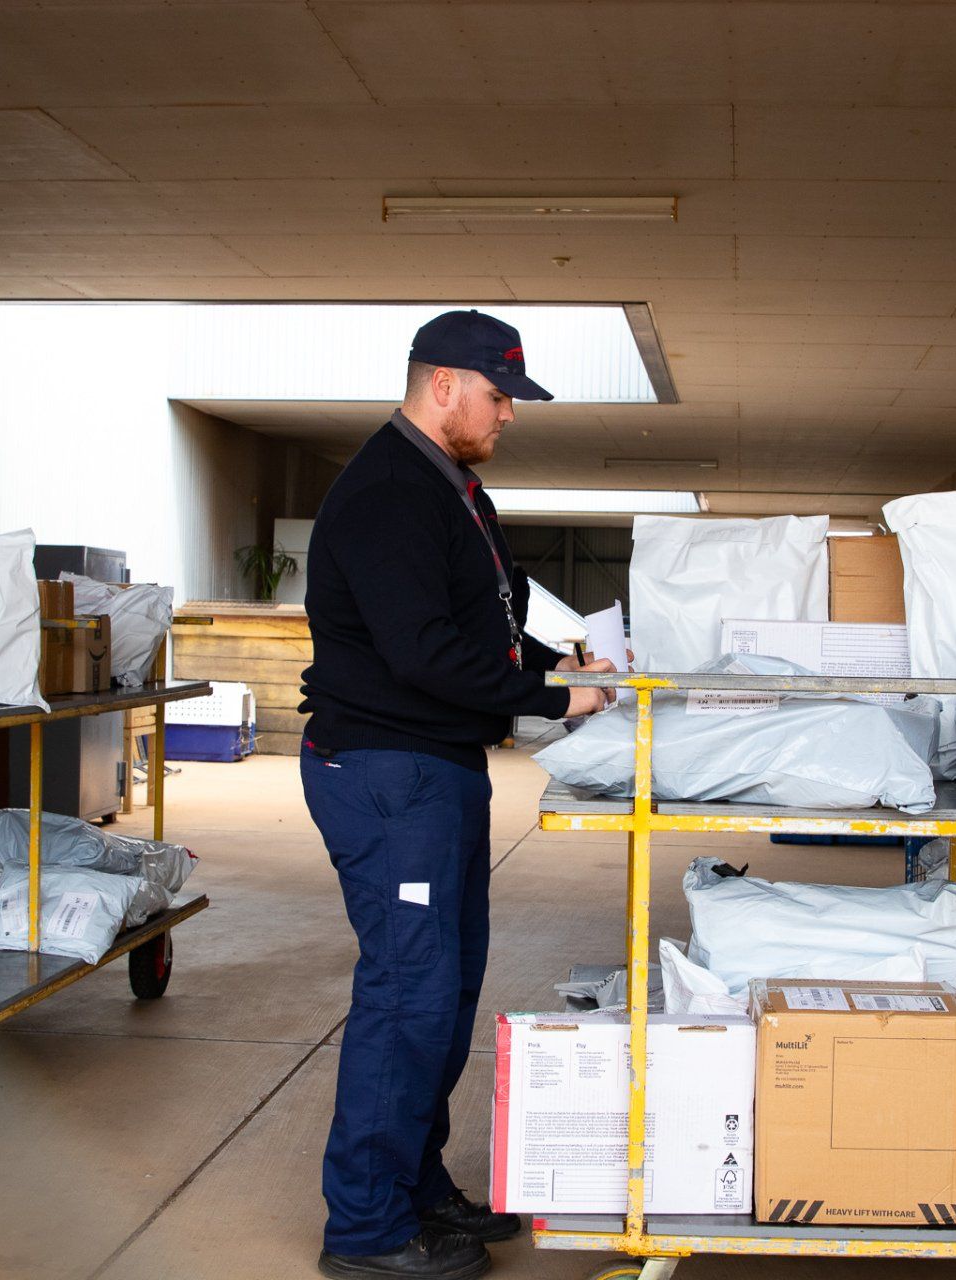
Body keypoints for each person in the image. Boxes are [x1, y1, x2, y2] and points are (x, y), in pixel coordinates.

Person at [299, 310, 617, 1280]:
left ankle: (416, 1186)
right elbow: (421, 651)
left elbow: (480, 624)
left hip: (434, 770)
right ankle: (364, 1227)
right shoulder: (391, 492)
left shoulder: (451, 489)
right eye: (498, 394)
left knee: (442, 990)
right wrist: (551, 695)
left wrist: (556, 659)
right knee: (407, 995)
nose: (508, 414)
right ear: (444, 384)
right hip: (387, 771)